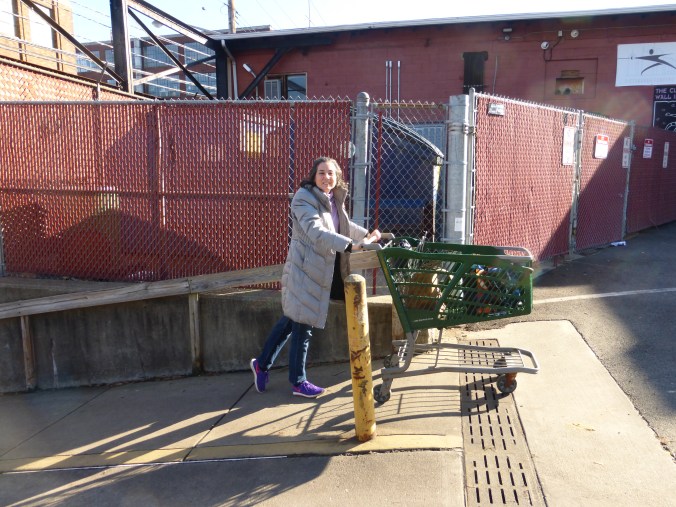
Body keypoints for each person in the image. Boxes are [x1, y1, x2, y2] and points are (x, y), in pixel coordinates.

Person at [250, 157, 381, 398]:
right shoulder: (304, 198)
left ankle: (261, 364)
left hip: (320, 270)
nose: (326, 177)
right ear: (313, 175)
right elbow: (316, 231)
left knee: (293, 319)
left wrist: (369, 235)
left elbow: (342, 225)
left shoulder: (332, 199)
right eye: (321, 173)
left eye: (331, 173)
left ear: (337, 177)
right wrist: (352, 246)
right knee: (303, 324)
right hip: (304, 270)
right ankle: (298, 382)